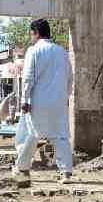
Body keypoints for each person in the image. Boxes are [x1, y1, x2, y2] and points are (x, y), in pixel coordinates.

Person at [14, 18, 73, 188]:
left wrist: (25, 100)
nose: (31, 37)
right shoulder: (62, 51)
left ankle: (23, 168)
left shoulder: (33, 51)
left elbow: (28, 78)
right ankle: (66, 172)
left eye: (31, 34)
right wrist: (65, 96)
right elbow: (70, 77)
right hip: (59, 101)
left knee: (32, 134)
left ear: (36, 33)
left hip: (38, 101)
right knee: (60, 135)